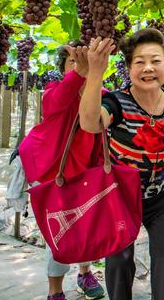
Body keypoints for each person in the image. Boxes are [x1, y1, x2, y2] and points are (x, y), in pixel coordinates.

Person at [78, 29, 164, 300]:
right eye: (139, 61)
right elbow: (90, 123)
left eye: (155, 60)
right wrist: (95, 73)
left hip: (160, 196)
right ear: (129, 67)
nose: (148, 68)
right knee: (119, 259)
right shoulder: (116, 102)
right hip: (120, 197)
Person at [18, 41, 105, 300]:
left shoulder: (102, 92)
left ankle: (85, 274)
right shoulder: (54, 90)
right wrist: (81, 72)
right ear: (65, 69)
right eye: (74, 61)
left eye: (88, 59)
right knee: (59, 233)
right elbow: (57, 101)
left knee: (87, 227)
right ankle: (55, 290)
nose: (82, 64)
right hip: (53, 173)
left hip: (86, 171)